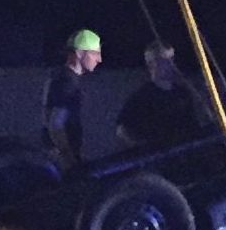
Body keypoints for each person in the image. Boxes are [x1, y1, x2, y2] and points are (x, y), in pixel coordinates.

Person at [115, 40, 213, 149]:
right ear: (151, 64)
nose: (170, 65)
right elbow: (122, 129)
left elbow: (192, 124)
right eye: (164, 61)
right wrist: (146, 149)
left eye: (171, 60)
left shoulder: (182, 93)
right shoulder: (142, 97)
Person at [42, 28, 103, 168]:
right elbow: (55, 125)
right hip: (62, 159)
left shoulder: (59, 77)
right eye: (95, 53)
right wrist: (70, 159)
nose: (99, 59)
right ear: (80, 53)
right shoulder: (67, 83)